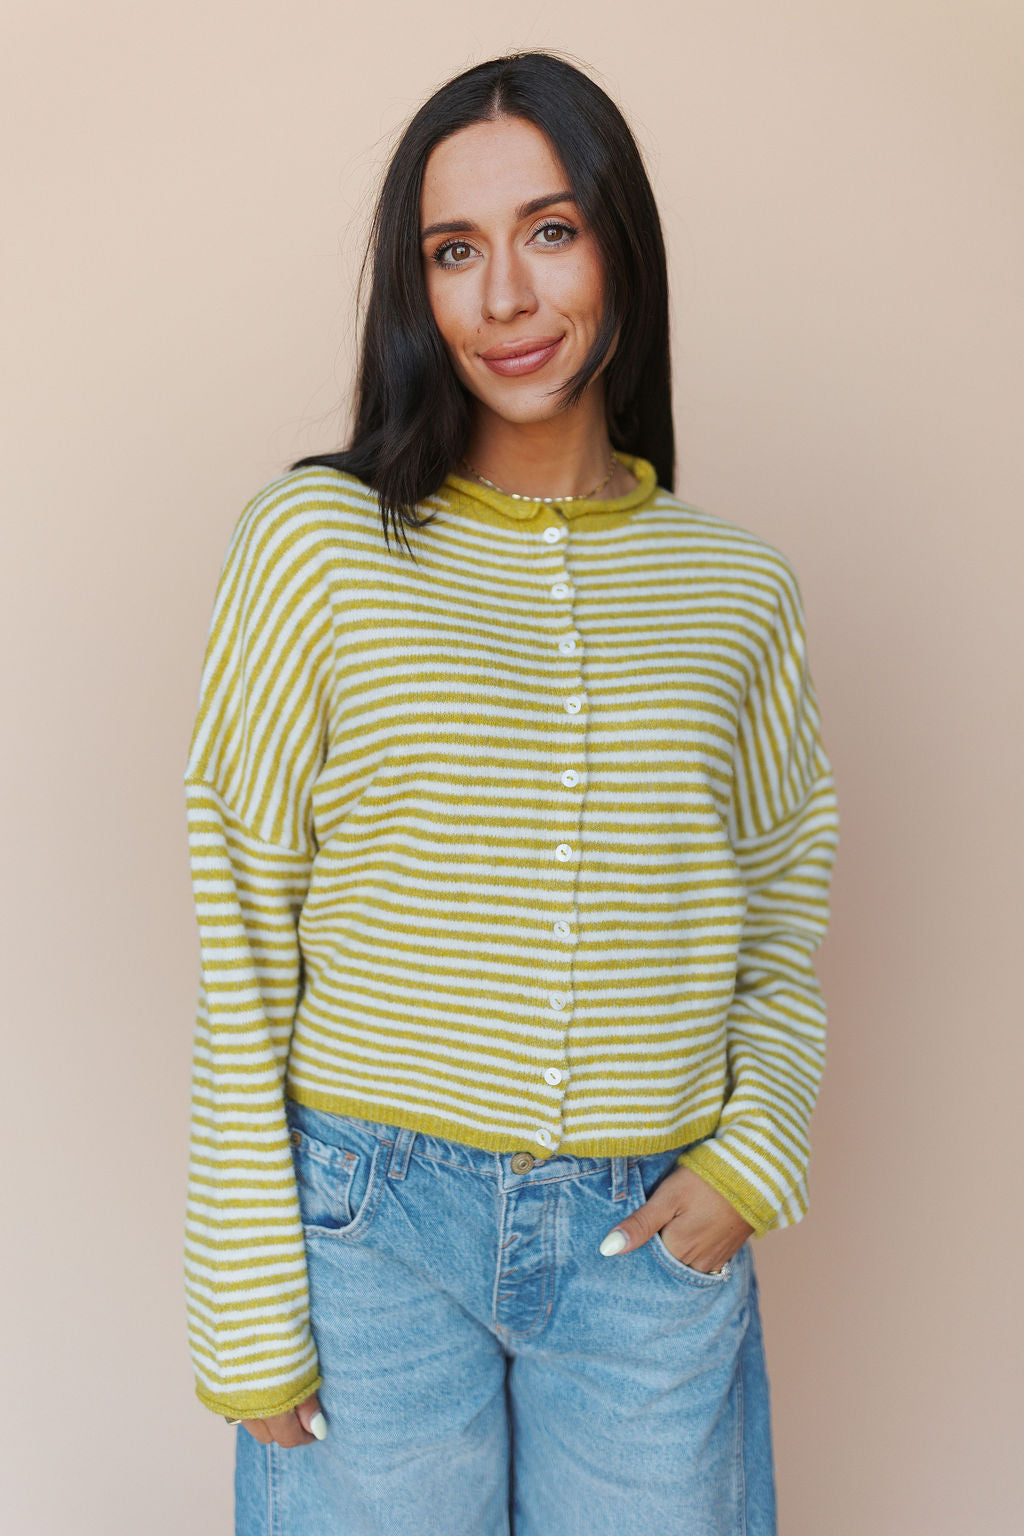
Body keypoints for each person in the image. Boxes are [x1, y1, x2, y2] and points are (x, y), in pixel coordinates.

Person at [182, 49, 839, 1536]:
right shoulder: (314, 545)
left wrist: (755, 1160)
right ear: (414, 290)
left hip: (648, 1241)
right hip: (369, 1238)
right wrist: (243, 1292)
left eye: (551, 231)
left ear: (620, 247)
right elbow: (242, 922)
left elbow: (781, 916)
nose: (506, 297)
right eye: (454, 251)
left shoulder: (737, 590)